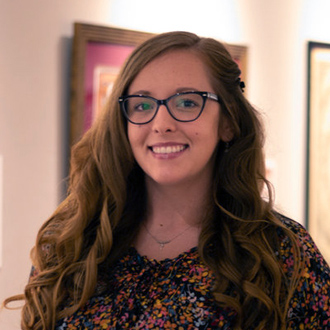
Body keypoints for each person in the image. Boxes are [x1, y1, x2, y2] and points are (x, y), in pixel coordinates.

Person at [4, 31, 330, 330]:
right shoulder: (69, 243)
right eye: (143, 105)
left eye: (187, 102)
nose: (161, 123)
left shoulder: (281, 254)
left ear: (228, 122)